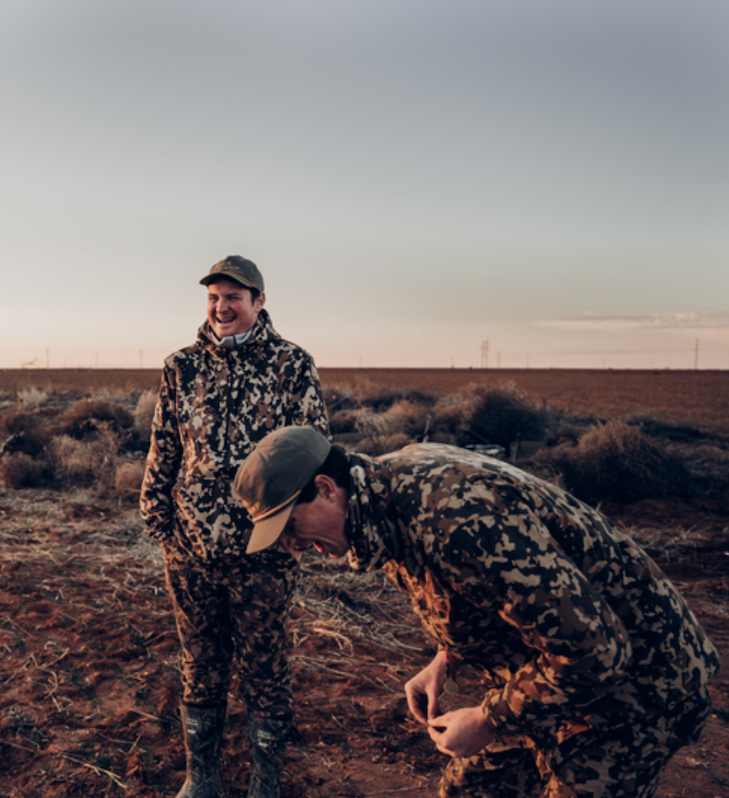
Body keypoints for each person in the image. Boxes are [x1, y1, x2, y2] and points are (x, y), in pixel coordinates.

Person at [234, 425, 720, 798]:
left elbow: (598, 652)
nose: (293, 548)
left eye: (290, 527)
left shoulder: (453, 518)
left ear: (325, 487)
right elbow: (481, 593)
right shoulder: (377, 501)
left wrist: (490, 719)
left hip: (639, 688)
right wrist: (444, 659)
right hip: (552, 680)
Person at [139, 256, 329, 798]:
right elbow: (165, 446)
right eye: (214, 298)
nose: (221, 308)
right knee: (199, 660)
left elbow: (315, 452)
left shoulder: (292, 365)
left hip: (263, 548)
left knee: (265, 665)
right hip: (191, 544)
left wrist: (301, 534)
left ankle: (265, 784)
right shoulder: (181, 367)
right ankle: (203, 780)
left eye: (233, 298)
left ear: (259, 303)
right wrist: (159, 518)